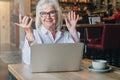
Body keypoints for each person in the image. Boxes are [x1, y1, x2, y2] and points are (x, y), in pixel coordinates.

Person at [15, 0, 80, 65]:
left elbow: (76, 57)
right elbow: (28, 61)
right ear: (40, 17)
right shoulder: (34, 34)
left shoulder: (66, 35)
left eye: (51, 12)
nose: (48, 17)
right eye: (43, 13)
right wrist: (30, 39)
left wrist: (73, 31)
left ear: (57, 14)